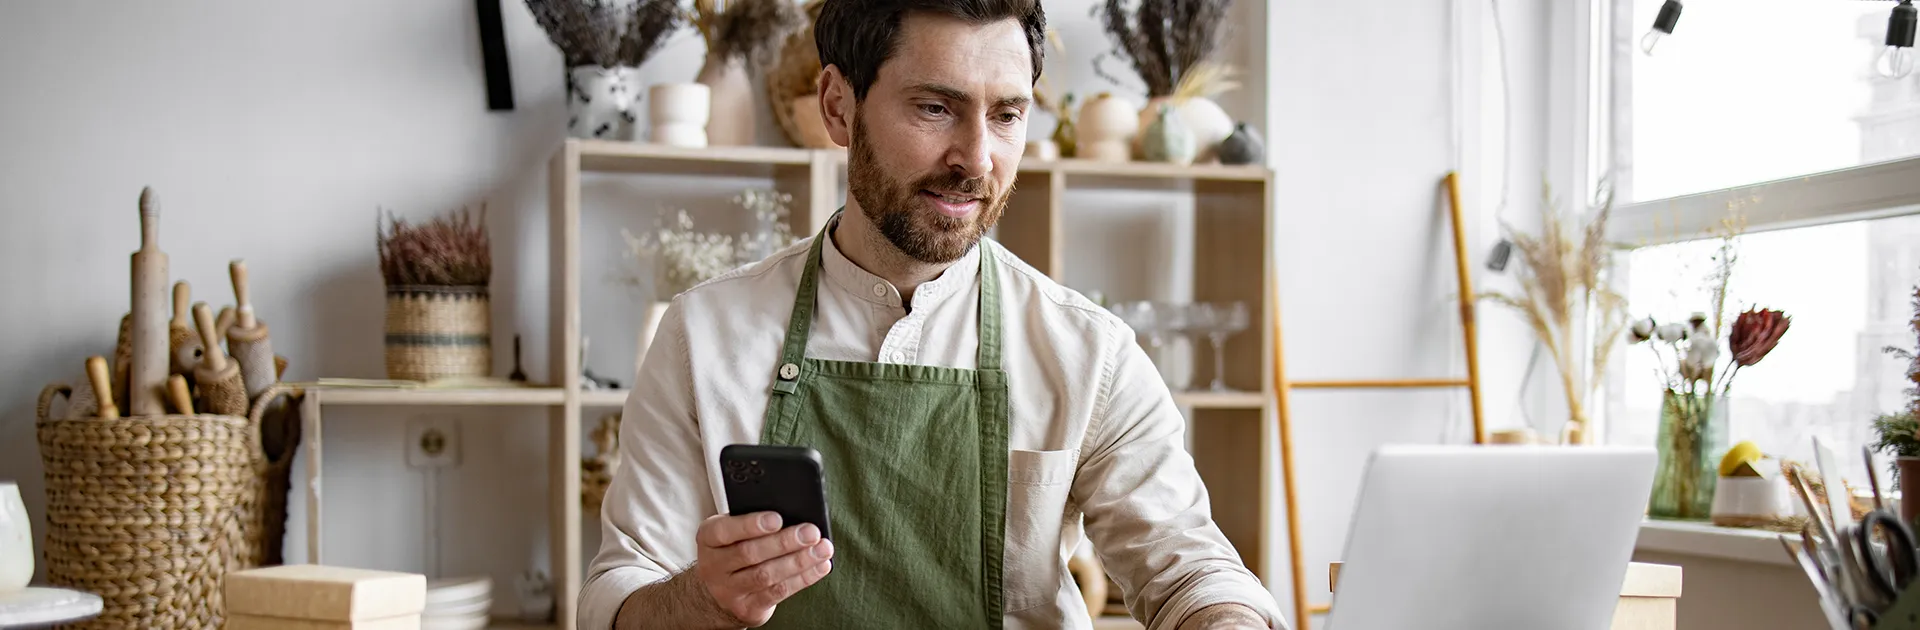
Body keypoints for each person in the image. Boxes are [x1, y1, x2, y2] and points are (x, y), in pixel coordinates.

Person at [579, 0, 1284, 628]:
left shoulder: (1088, 352)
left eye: (1007, 114)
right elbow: (619, 591)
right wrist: (702, 599)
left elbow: (1190, 569)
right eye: (935, 108)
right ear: (837, 107)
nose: (976, 159)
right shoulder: (703, 335)